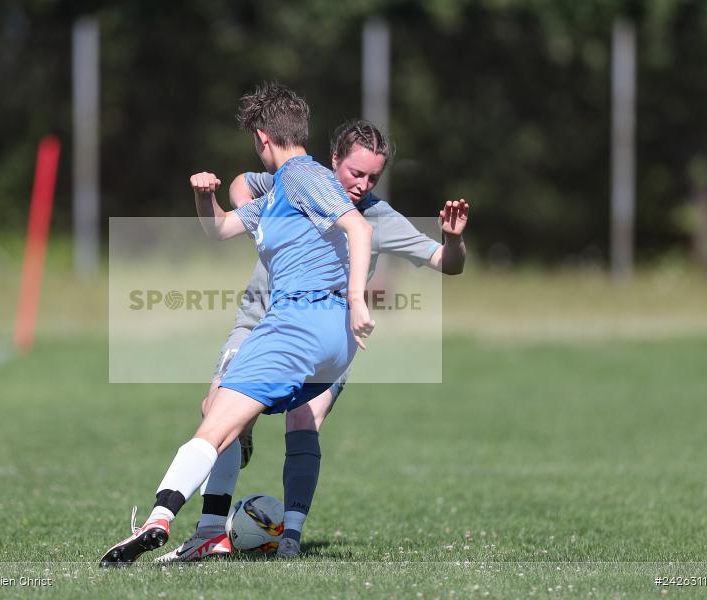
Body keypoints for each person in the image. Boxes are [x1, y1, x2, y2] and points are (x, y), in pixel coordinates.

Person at [156, 119, 470, 562]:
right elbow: (244, 182)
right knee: (215, 414)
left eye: (372, 178)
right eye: (354, 173)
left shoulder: (376, 216)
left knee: (303, 420)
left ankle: (290, 538)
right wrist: (263, 225)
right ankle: (210, 532)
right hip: (259, 322)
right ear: (334, 160)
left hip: (323, 334)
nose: (362, 185)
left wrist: (453, 241)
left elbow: (448, 264)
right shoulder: (301, 181)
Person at [99, 83, 375, 566]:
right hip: (329, 342)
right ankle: (205, 530)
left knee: (212, 426)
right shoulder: (283, 192)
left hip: (297, 326)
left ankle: (159, 521)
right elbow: (220, 228)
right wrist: (205, 198)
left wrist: (357, 300)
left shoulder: (303, 176)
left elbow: (360, 226)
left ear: (263, 137)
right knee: (223, 417)